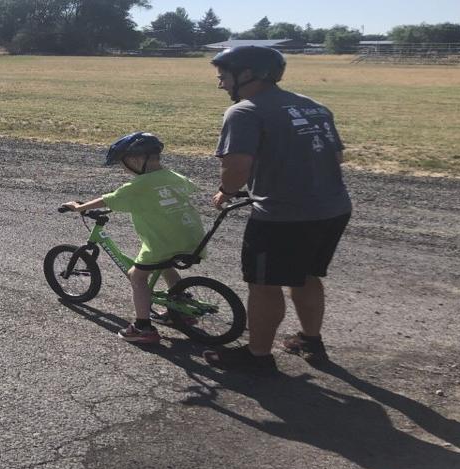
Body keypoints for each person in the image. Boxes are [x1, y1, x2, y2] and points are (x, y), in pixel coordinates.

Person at [204, 45, 353, 371]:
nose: (221, 84)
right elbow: (336, 157)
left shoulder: (244, 112)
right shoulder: (314, 107)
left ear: (247, 74)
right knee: (306, 275)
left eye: (224, 76)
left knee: (264, 285)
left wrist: (226, 192)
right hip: (333, 208)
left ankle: (257, 357)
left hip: (283, 217)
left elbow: (236, 168)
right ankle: (310, 340)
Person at [61, 132, 208, 345]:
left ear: (136, 160)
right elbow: (186, 189)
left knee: (136, 276)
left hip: (163, 243)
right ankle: (181, 308)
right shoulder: (174, 176)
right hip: (192, 239)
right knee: (165, 265)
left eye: (123, 164)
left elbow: (109, 199)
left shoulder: (139, 185)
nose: (124, 169)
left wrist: (79, 207)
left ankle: (143, 327)